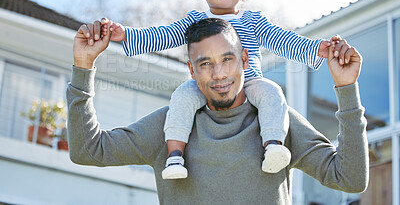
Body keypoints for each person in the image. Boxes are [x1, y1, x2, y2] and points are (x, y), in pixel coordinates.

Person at [84, 0, 346, 179]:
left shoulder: (252, 20)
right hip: (205, 85)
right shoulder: (194, 20)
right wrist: (125, 34)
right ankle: (175, 155)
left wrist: (315, 49)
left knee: (273, 92)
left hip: (249, 82)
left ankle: (273, 145)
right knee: (182, 97)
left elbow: (282, 39)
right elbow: (162, 34)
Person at [68, 18, 368, 204]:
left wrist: (347, 90)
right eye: (205, 63)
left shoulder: (277, 120)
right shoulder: (172, 125)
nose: (219, 74)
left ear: (245, 60)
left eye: (227, 59)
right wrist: (83, 66)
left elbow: (349, 179)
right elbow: (88, 150)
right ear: (192, 70)